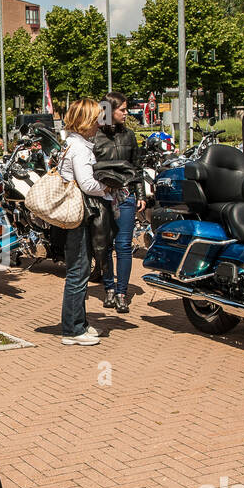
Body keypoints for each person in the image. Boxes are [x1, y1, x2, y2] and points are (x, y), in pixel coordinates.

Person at [57, 98, 111, 345]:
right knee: (78, 271)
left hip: (76, 215)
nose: (100, 124)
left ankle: (79, 322)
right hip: (79, 215)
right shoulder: (79, 149)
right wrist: (108, 187)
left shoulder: (71, 144)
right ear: (86, 121)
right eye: (96, 119)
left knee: (78, 270)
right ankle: (72, 330)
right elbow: (87, 184)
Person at [93, 92, 144, 313]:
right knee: (104, 246)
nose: (126, 113)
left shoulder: (129, 136)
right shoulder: (94, 137)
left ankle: (122, 293)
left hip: (125, 196)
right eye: (122, 109)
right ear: (109, 111)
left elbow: (137, 167)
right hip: (102, 196)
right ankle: (109, 289)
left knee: (123, 245)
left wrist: (141, 194)